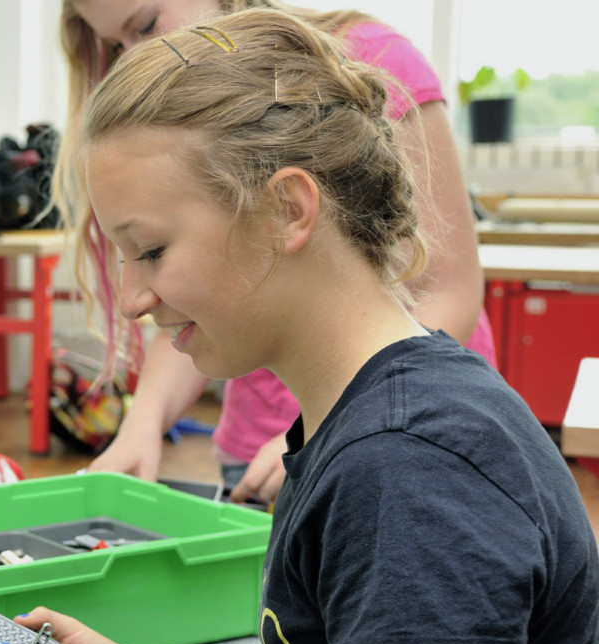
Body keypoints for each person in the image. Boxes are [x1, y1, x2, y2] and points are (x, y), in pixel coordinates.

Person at [18, 10, 598, 644]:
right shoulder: (367, 415)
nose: (135, 299)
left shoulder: (405, 466)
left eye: (151, 251)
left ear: (290, 209)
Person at [59, 0, 494, 504]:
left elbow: (450, 289)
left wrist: (327, 427)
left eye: (146, 26)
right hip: (261, 447)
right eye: (114, 47)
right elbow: (194, 288)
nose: (134, 57)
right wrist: (142, 425)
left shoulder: (376, 59)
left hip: (396, 433)